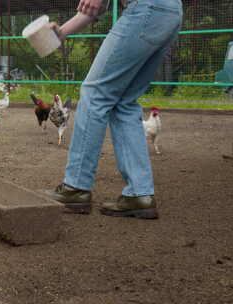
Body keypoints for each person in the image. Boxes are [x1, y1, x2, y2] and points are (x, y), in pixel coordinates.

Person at [46, 0, 183, 219]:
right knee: (124, 102)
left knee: (94, 94)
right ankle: (139, 195)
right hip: (169, 13)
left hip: (146, 10)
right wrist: (62, 32)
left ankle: (76, 187)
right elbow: (95, 8)